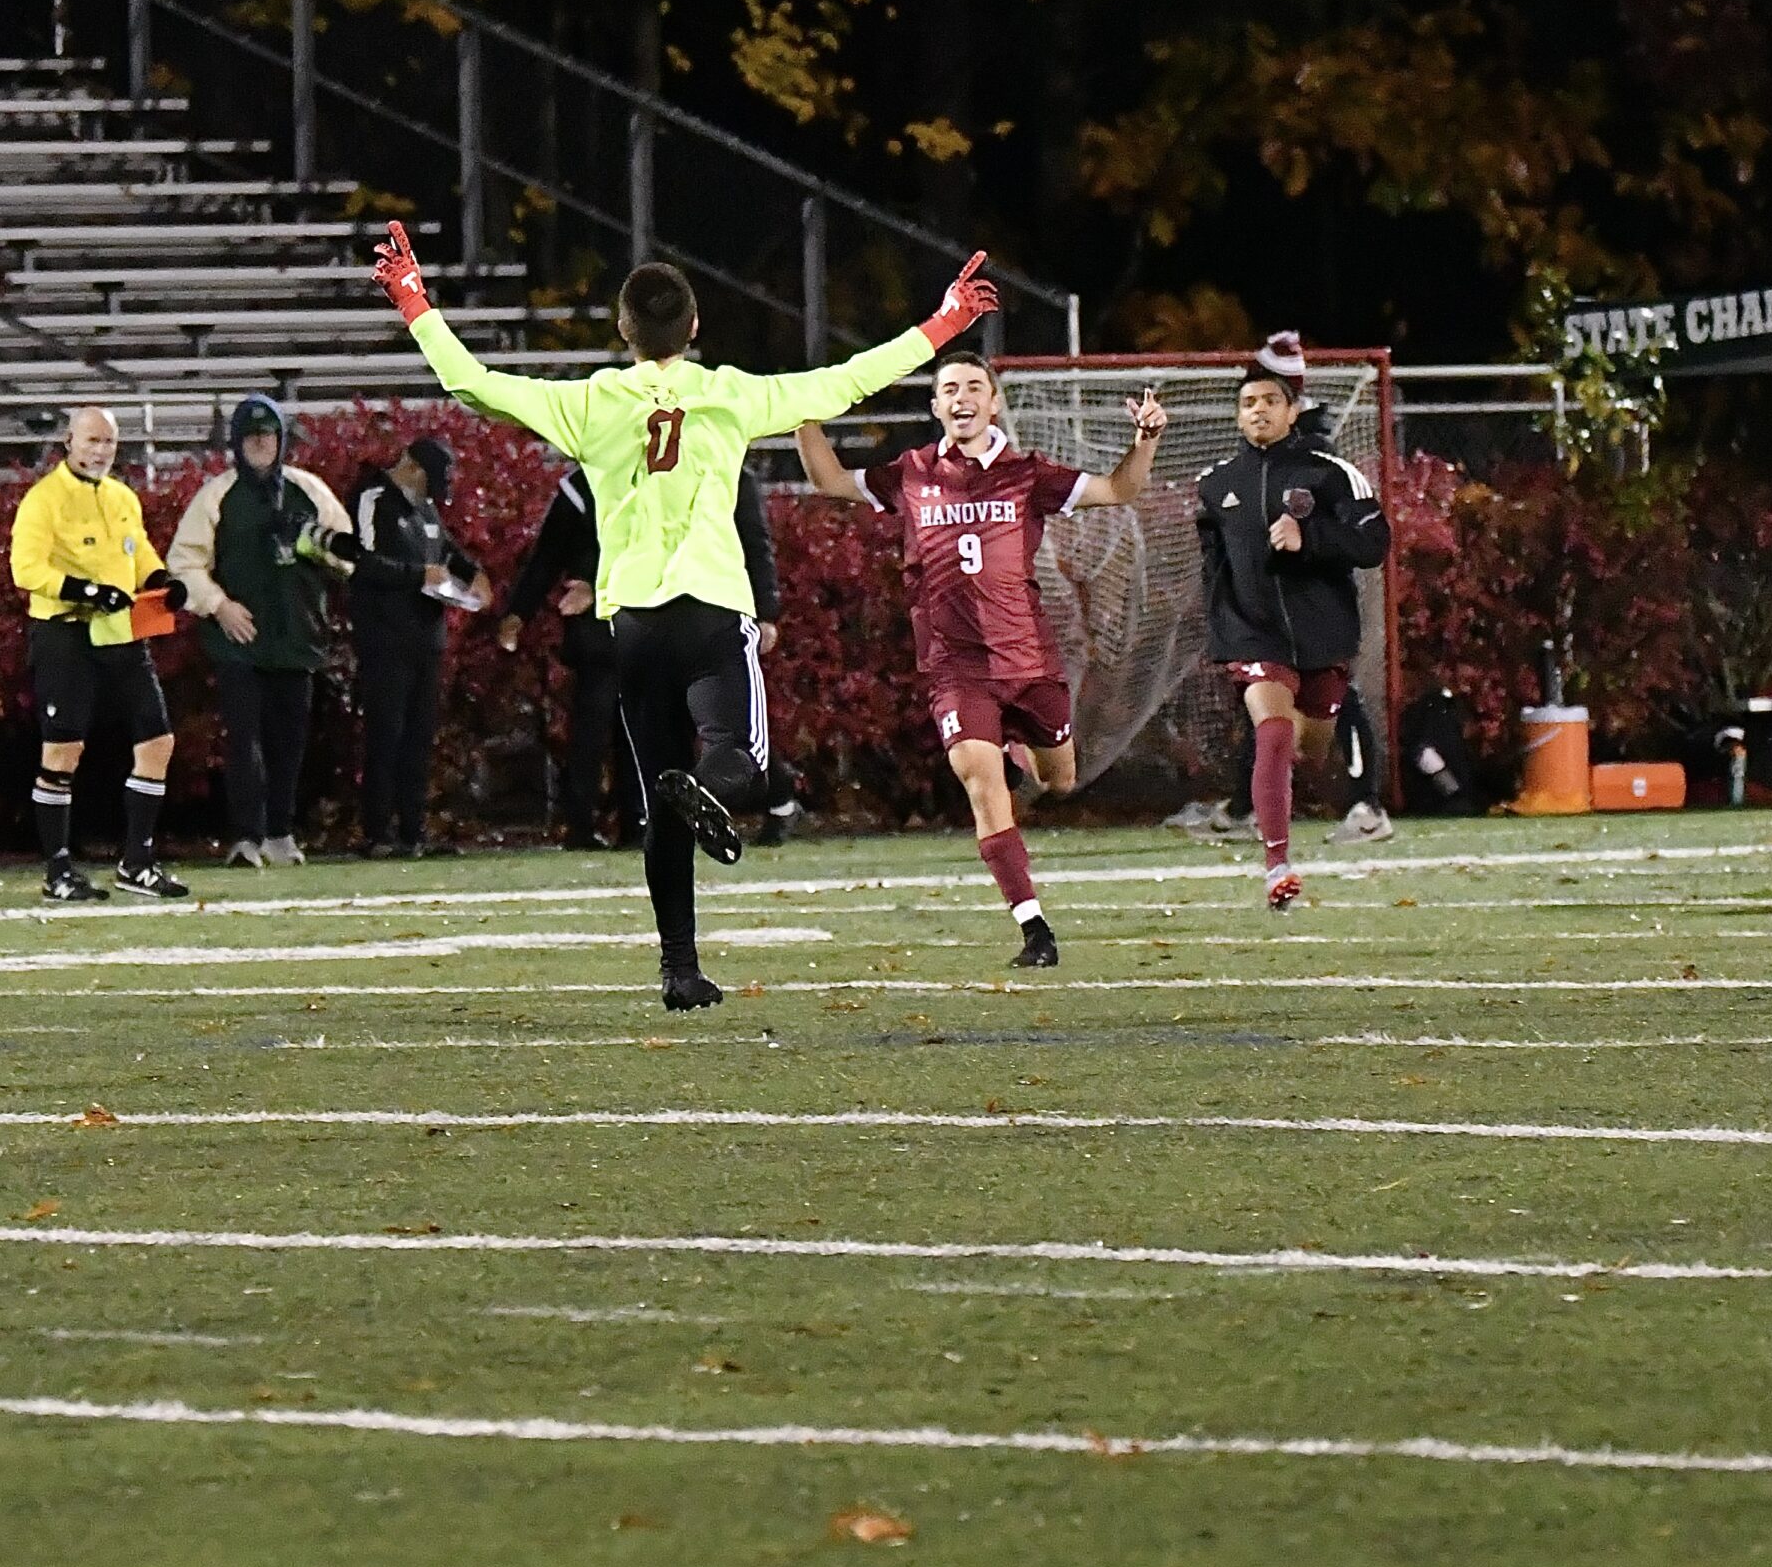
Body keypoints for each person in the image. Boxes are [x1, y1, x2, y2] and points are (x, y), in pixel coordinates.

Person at [375, 220, 998, 1008]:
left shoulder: (594, 402)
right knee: (740, 758)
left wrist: (412, 299)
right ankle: (700, 792)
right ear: (695, 328)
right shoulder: (728, 393)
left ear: (623, 332)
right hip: (710, 609)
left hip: (632, 624)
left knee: (662, 791)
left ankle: (679, 966)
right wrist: (944, 323)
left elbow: (474, 383)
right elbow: (848, 379)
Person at [795, 352, 1167, 966]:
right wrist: (802, 414)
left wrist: (1145, 439)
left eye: (974, 386)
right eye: (949, 388)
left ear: (994, 403)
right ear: (936, 406)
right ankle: (1034, 928)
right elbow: (830, 480)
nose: (961, 396)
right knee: (979, 778)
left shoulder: (1028, 473)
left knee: (1060, 779)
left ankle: (1022, 754)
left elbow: (1120, 488)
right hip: (955, 667)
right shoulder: (911, 471)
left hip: (1028, 661)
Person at [501, 462, 800, 848]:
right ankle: (624, 822)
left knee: (715, 719)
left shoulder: (719, 471)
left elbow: (745, 544)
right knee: (624, 726)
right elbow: (560, 553)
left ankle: (775, 796)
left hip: (697, 612)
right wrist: (522, 610)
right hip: (630, 624)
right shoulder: (607, 472)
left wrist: (766, 612)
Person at [1175, 332, 1393, 847]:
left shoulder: (1327, 471)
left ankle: (1362, 803)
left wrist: (1309, 538)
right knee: (1269, 718)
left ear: (1294, 407)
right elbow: (1217, 568)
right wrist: (1224, 629)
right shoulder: (1218, 482)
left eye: (1271, 400)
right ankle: (1263, 834)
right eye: (1248, 402)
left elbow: (1372, 540)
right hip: (1255, 635)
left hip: (1318, 629)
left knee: (1312, 732)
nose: (1258, 411)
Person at [8, 405, 190, 901]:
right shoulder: (44, 500)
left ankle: (137, 861)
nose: (101, 451)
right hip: (64, 634)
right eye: (92, 441)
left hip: (121, 633)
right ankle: (58, 869)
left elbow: (138, 551)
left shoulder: (121, 497)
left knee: (157, 740)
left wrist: (161, 582)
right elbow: (26, 569)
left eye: (108, 443)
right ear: (68, 442)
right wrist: (85, 591)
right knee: (62, 751)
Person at [167, 393, 358, 867]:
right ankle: (246, 836)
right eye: (250, 436)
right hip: (240, 641)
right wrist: (218, 605)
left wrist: (313, 546)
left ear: (281, 440)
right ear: (236, 442)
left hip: (297, 637)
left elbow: (350, 555)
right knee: (244, 740)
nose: (260, 444)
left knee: (288, 744)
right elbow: (184, 562)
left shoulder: (309, 489)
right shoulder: (217, 495)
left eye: (267, 436)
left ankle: (280, 832)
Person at [348, 435, 482, 858]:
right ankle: (377, 832)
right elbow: (361, 562)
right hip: (385, 637)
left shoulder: (424, 507)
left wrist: (472, 572)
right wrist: (416, 576)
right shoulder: (373, 499)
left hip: (427, 637)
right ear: (412, 468)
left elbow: (444, 547)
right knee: (386, 734)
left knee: (420, 737)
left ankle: (413, 830)